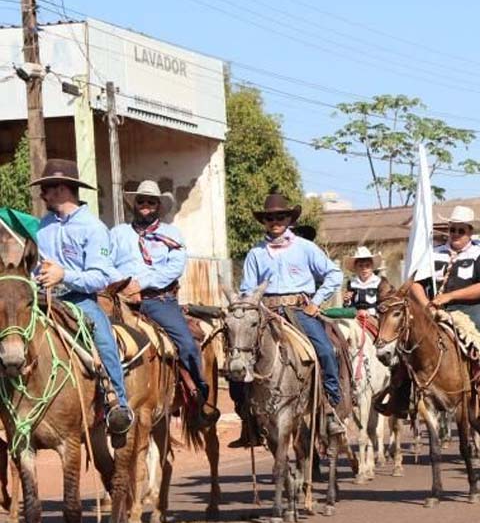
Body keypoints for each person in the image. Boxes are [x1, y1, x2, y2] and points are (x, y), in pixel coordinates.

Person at [32, 159, 133, 435]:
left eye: (48, 188)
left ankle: (118, 405)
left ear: (63, 189)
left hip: (79, 300)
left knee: (104, 339)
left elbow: (100, 277)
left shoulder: (93, 228)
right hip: (42, 299)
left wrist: (64, 275)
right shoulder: (44, 225)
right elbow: (36, 267)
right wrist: (34, 278)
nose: (43, 194)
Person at [111, 179, 218, 428]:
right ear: (134, 204)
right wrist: (123, 285)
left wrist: (142, 284)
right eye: (141, 201)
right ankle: (105, 397)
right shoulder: (117, 234)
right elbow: (106, 264)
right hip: (122, 300)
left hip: (159, 300)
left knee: (187, 344)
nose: (146, 205)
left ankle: (198, 395)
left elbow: (174, 267)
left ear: (158, 206)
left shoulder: (172, 234)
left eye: (151, 201)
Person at [238, 193, 345, 441]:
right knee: (238, 358)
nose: (275, 221)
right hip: (265, 312)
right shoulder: (256, 252)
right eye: (270, 217)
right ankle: (247, 416)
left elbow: (334, 274)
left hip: (299, 311)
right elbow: (247, 288)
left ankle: (331, 409)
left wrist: (316, 303)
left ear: (289, 219)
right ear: (264, 221)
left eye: (280, 216)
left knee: (326, 351)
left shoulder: (306, 247)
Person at [411, 206, 480, 415]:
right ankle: (403, 394)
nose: (455, 234)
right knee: (403, 339)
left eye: (460, 230)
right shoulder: (433, 254)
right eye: (452, 229)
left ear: (470, 232)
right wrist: (425, 303)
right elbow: (415, 283)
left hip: (473, 308)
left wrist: (451, 296)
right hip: (435, 308)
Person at [343, 246, 389, 317]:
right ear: (355, 268)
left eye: (367, 266)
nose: (364, 269)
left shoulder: (380, 282)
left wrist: (370, 312)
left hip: (375, 318)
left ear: (372, 267)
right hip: (356, 318)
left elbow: (385, 304)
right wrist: (347, 302)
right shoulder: (351, 283)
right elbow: (349, 306)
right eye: (360, 266)